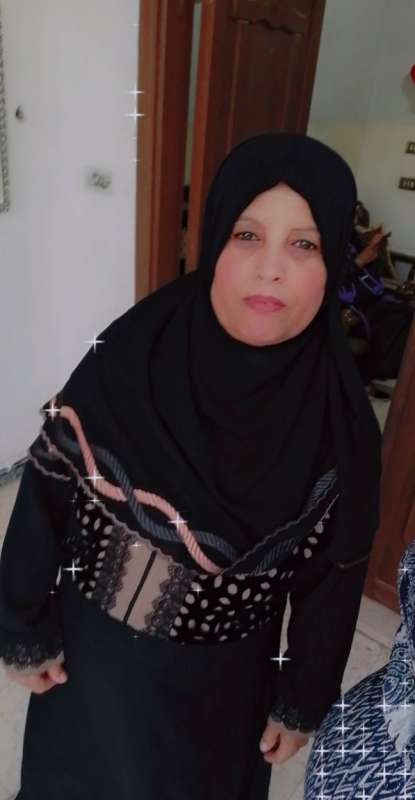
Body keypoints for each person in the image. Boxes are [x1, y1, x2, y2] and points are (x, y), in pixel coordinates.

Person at [0, 132, 383, 800]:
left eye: (304, 244)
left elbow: (332, 582)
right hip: (90, 668)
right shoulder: (131, 355)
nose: (270, 269)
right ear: (212, 240)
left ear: (333, 268)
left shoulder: (338, 425)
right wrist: (21, 624)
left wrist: (301, 698)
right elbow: (47, 490)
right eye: (247, 235)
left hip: (224, 691)